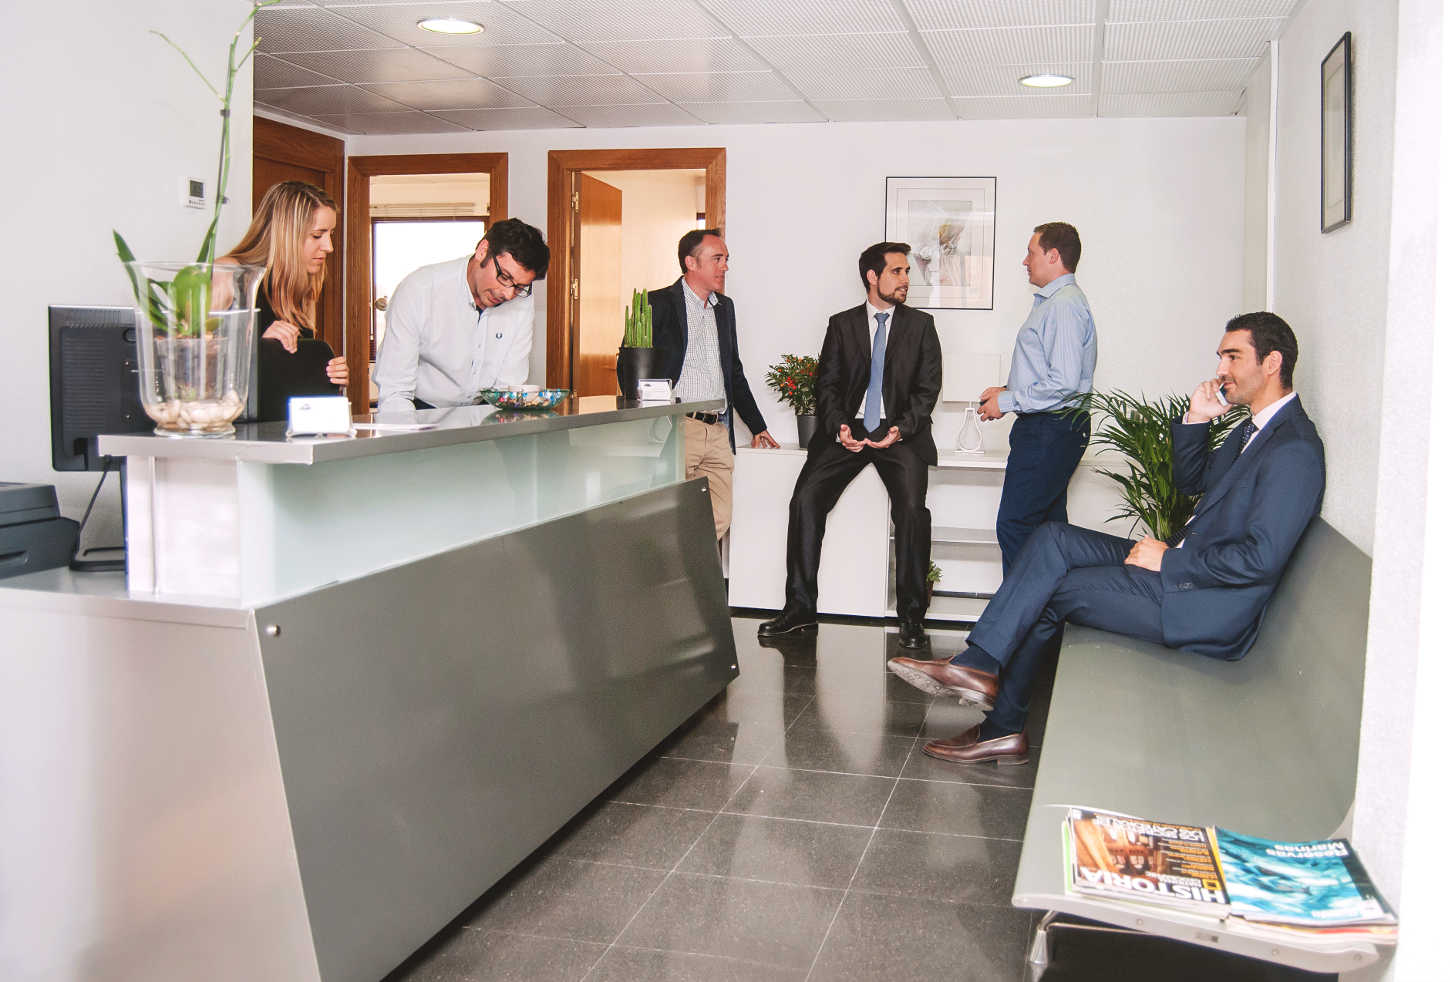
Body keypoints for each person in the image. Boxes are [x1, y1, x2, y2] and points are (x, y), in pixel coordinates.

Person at [888, 312, 1323, 764]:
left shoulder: (1293, 448)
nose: (1221, 369)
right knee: (1053, 538)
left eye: (1233, 356)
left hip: (1202, 605)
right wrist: (1196, 420)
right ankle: (978, 665)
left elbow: (1261, 559)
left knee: (1056, 591)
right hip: (1182, 568)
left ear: (1272, 362)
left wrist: (1169, 562)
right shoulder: (1251, 429)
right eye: (1220, 357)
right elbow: (1191, 483)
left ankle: (1002, 727)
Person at [758, 242, 943, 649]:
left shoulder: (921, 326)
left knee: (912, 510)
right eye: (897, 271)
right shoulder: (841, 325)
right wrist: (839, 425)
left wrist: (902, 429)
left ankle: (911, 617)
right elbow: (828, 385)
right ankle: (800, 609)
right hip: (848, 430)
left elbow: (927, 390)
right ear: (871, 277)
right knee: (804, 500)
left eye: (907, 272)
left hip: (899, 433)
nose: (905, 280)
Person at [619, 228, 778, 540]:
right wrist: (649, 416)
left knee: (718, 516)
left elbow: (733, 370)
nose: (725, 266)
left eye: (726, 259)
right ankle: (660, 584)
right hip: (680, 427)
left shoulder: (725, 308)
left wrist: (757, 425)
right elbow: (630, 365)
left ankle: (683, 579)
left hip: (718, 430)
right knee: (668, 514)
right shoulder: (658, 303)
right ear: (691, 263)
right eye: (717, 258)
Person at [979, 222, 1097, 573]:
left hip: (1051, 429)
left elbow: (1063, 383)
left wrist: (1009, 402)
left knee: (1015, 526)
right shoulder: (1057, 303)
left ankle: (1020, 621)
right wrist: (1007, 390)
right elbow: (1049, 371)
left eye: (1031, 253)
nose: (1024, 261)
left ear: (1053, 255)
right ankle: (1045, 625)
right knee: (1048, 532)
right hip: (1052, 428)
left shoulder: (1063, 306)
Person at [375, 218, 549, 414]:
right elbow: (395, 392)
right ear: (483, 250)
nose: (508, 294)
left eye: (520, 287)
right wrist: (412, 439)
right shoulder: (419, 289)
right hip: (420, 411)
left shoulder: (521, 301)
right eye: (505, 277)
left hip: (484, 413)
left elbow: (508, 387)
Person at [220, 180, 348, 420]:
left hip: (282, 432)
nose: (329, 246)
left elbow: (284, 374)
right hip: (236, 435)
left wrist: (327, 374)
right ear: (286, 233)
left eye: (330, 234)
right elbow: (189, 363)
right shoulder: (229, 274)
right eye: (317, 235)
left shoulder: (301, 288)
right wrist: (260, 348)